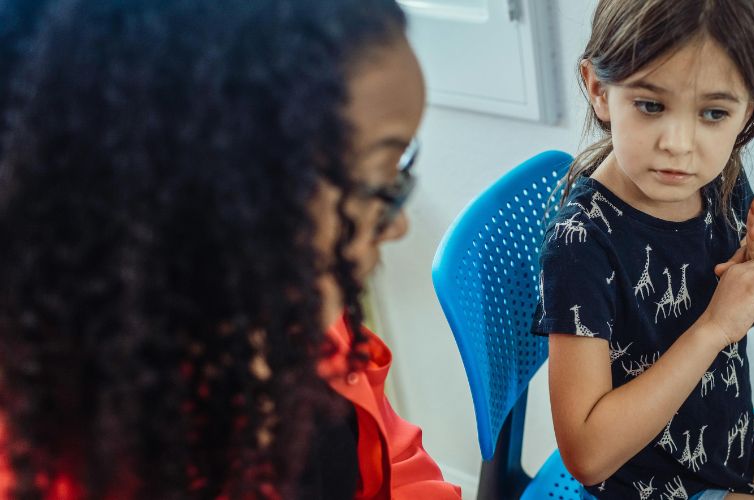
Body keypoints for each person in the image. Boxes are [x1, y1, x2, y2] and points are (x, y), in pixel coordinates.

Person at [0, 0, 459, 498]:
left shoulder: (289, 314)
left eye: (401, 171)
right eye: (378, 179)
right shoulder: (60, 458)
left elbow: (393, 458)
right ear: (226, 191)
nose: (398, 226)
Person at [533, 1, 754, 498]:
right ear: (598, 90)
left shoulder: (721, 181)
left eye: (713, 113)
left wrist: (750, 302)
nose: (679, 144)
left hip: (733, 441)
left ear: (750, 111)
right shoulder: (581, 244)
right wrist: (716, 325)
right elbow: (588, 456)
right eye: (651, 105)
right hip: (652, 484)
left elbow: (697, 331)